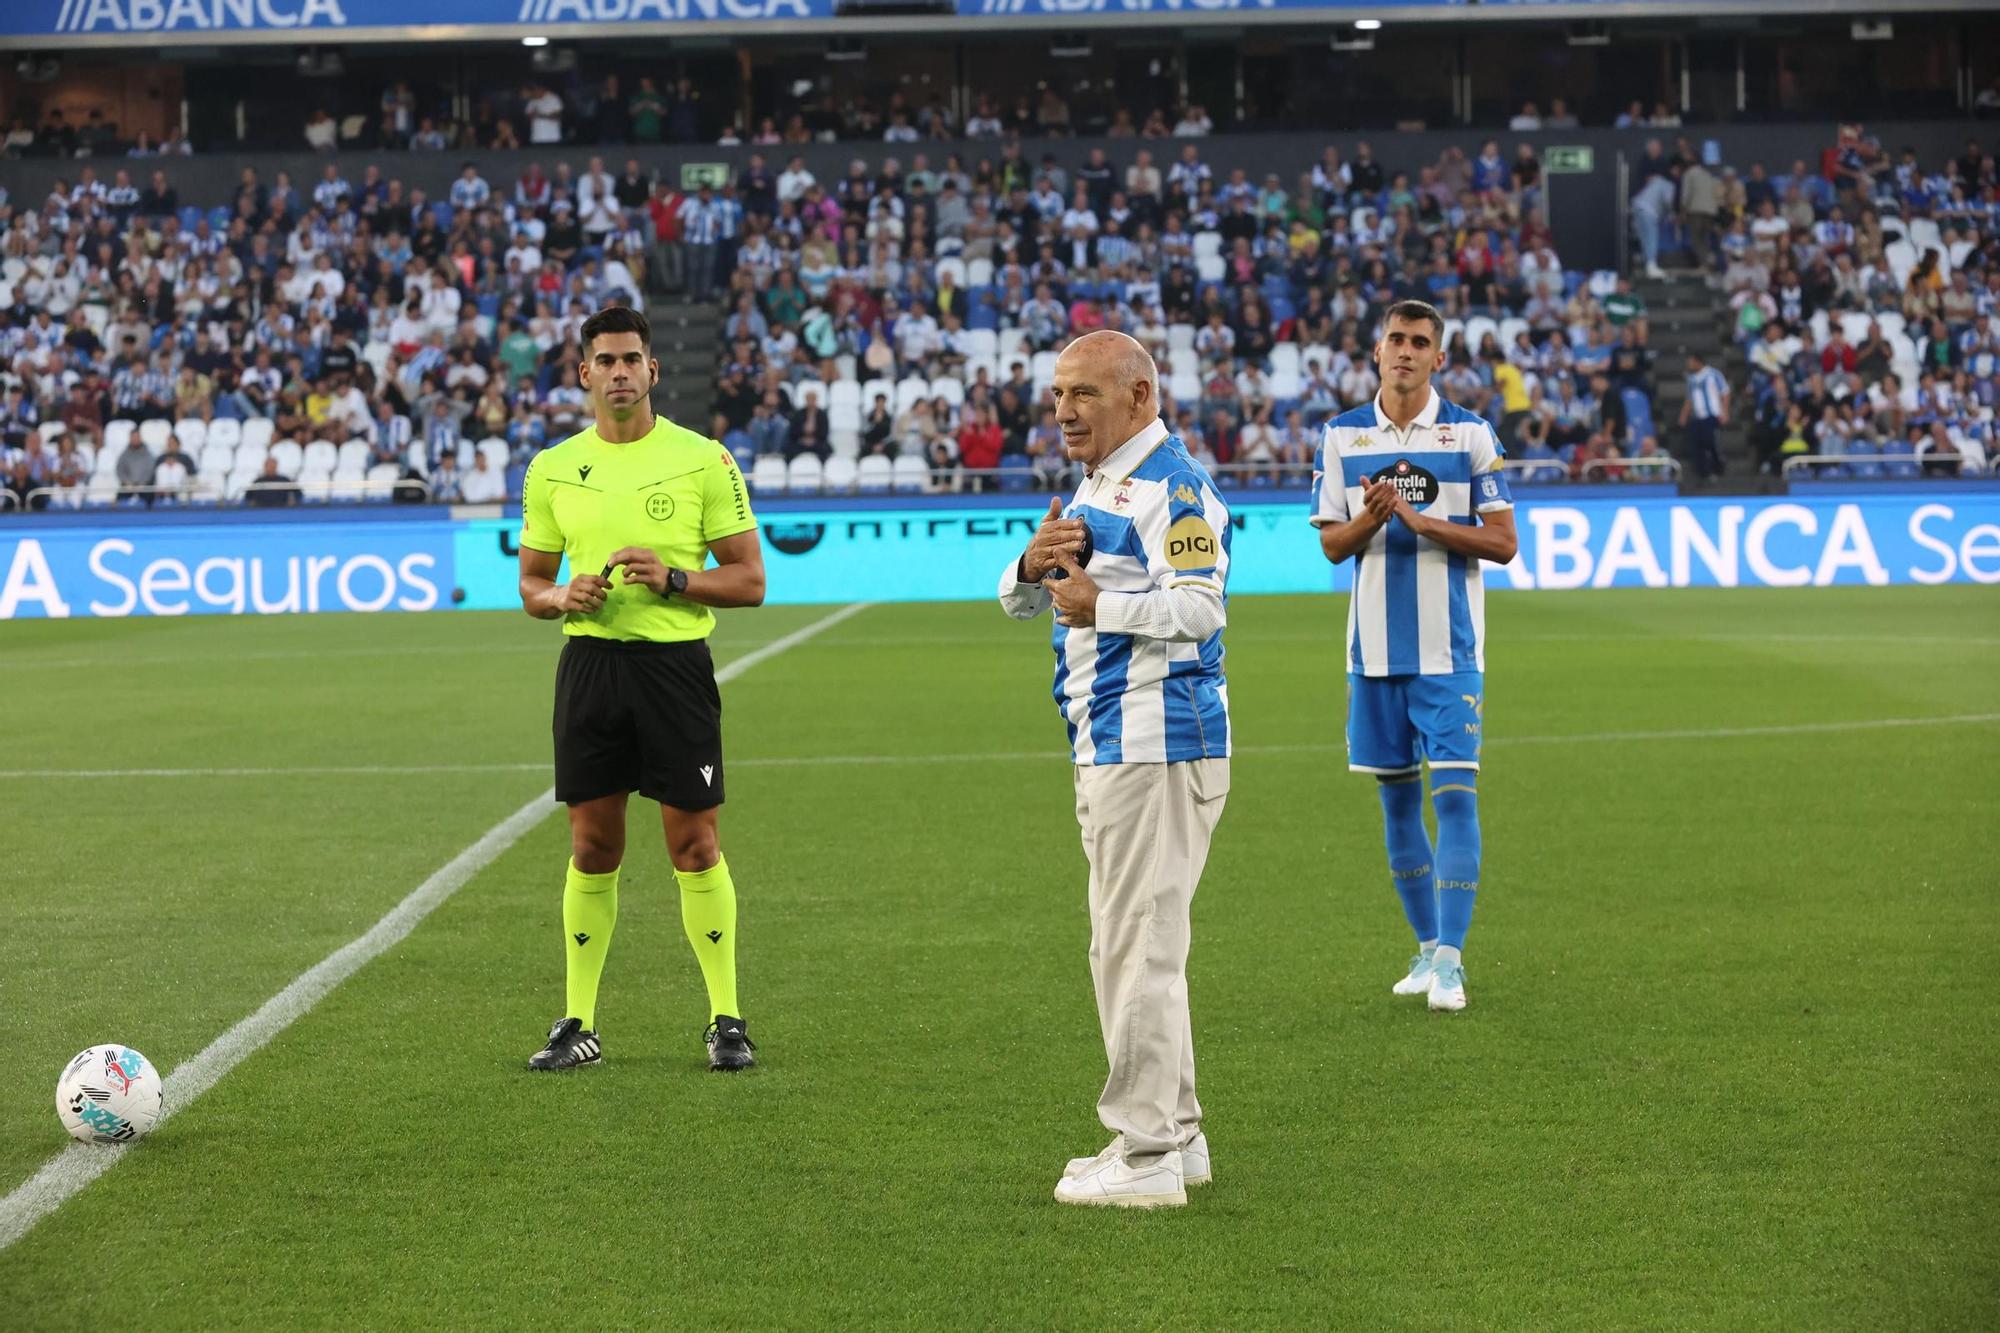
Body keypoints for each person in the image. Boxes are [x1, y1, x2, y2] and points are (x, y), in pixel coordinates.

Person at [997, 329, 1231, 1209]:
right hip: (1111, 741)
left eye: (1083, 394)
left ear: (1140, 395)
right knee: (1131, 945)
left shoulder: (1173, 485)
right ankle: (1180, 1134)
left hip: (1157, 742)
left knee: (1137, 949)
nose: (1063, 411)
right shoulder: (1100, 484)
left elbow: (1202, 608)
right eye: (1059, 395)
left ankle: (1144, 1159)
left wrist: (1105, 602)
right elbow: (1031, 598)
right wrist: (1028, 565)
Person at [517, 306, 767, 1074]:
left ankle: (726, 1018)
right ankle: (579, 1023)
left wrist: (675, 577)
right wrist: (563, 598)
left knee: (694, 844)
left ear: (653, 371)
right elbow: (530, 583)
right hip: (590, 669)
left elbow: (751, 580)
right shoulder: (552, 466)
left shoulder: (704, 459)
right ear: (583, 372)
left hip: (674, 671)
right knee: (593, 846)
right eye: (605, 361)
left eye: (632, 359)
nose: (620, 372)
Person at [1310, 300, 1518, 1013]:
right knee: (1397, 805)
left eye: (1419, 341)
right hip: (1372, 655)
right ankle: (1428, 948)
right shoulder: (1342, 437)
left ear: (1439, 358)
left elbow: (1504, 543)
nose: (1405, 350)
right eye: (1395, 339)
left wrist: (1420, 519)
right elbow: (1332, 546)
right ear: (1376, 351)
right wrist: (1370, 517)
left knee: (1455, 797)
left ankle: (1454, 962)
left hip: (1449, 651)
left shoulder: (1470, 435)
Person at [1680, 349, 1730, 480]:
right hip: (1697, 417)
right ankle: (1703, 473)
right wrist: (1684, 416)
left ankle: (1718, 469)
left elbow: (1724, 392)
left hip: (1712, 415)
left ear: (1697, 362)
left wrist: (1724, 412)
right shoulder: (1691, 379)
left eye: (1690, 362)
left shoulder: (1713, 374)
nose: (1688, 365)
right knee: (1698, 445)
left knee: (1712, 443)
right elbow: (1689, 399)